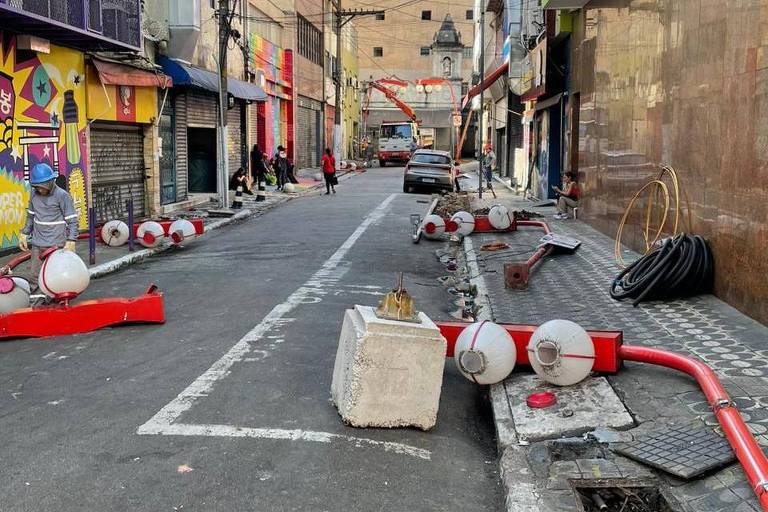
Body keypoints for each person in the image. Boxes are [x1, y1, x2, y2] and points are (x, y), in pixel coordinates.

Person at [19, 162, 79, 290]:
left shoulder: (62, 196)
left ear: (51, 182)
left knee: (57, 277)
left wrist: (71, 240)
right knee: (35, 276)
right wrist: (24, 233)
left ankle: (60, 303)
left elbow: (72, 221)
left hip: (56, 245)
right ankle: (35, 302)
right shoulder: (34, 194)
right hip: (37, 244)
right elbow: (30, 216)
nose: (40, 189)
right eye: (37, 186)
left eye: (43, 186)